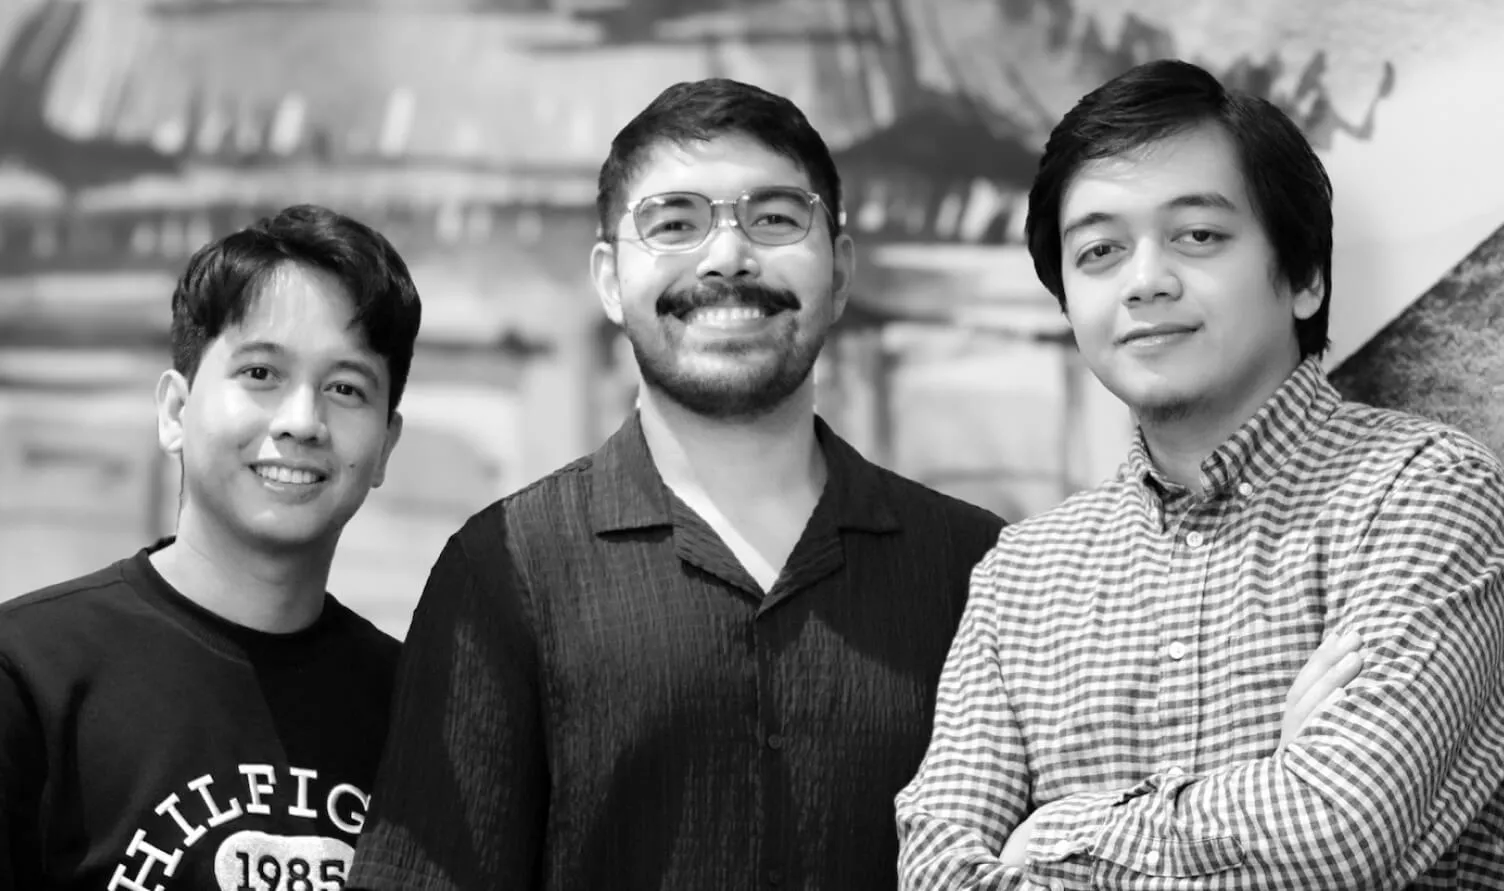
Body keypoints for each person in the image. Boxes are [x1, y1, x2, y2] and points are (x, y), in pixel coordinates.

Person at [346, 78, 1005, 891]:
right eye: (675, 223)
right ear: (608, 280)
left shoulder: (978, 569)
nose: (727, 256)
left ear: (839, 270)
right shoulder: (505, 570)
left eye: (774, 218)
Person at [894, 57, 1504, 890]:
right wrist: (1270, 788)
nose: (1146, 281)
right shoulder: (1021, 577)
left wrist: (1053, 829)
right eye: (1100, 250)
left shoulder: (1422, 495)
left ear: (1303, 276)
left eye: (1199, 236)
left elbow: (1337, 834)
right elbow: (935, 873)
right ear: (1068, 302)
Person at [0, 204, 422, 890]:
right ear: (174, 410)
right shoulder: (30, 677)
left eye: (346, 388)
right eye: (261, 373)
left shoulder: (418, 715)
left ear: (385, 445)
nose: (301, 421)